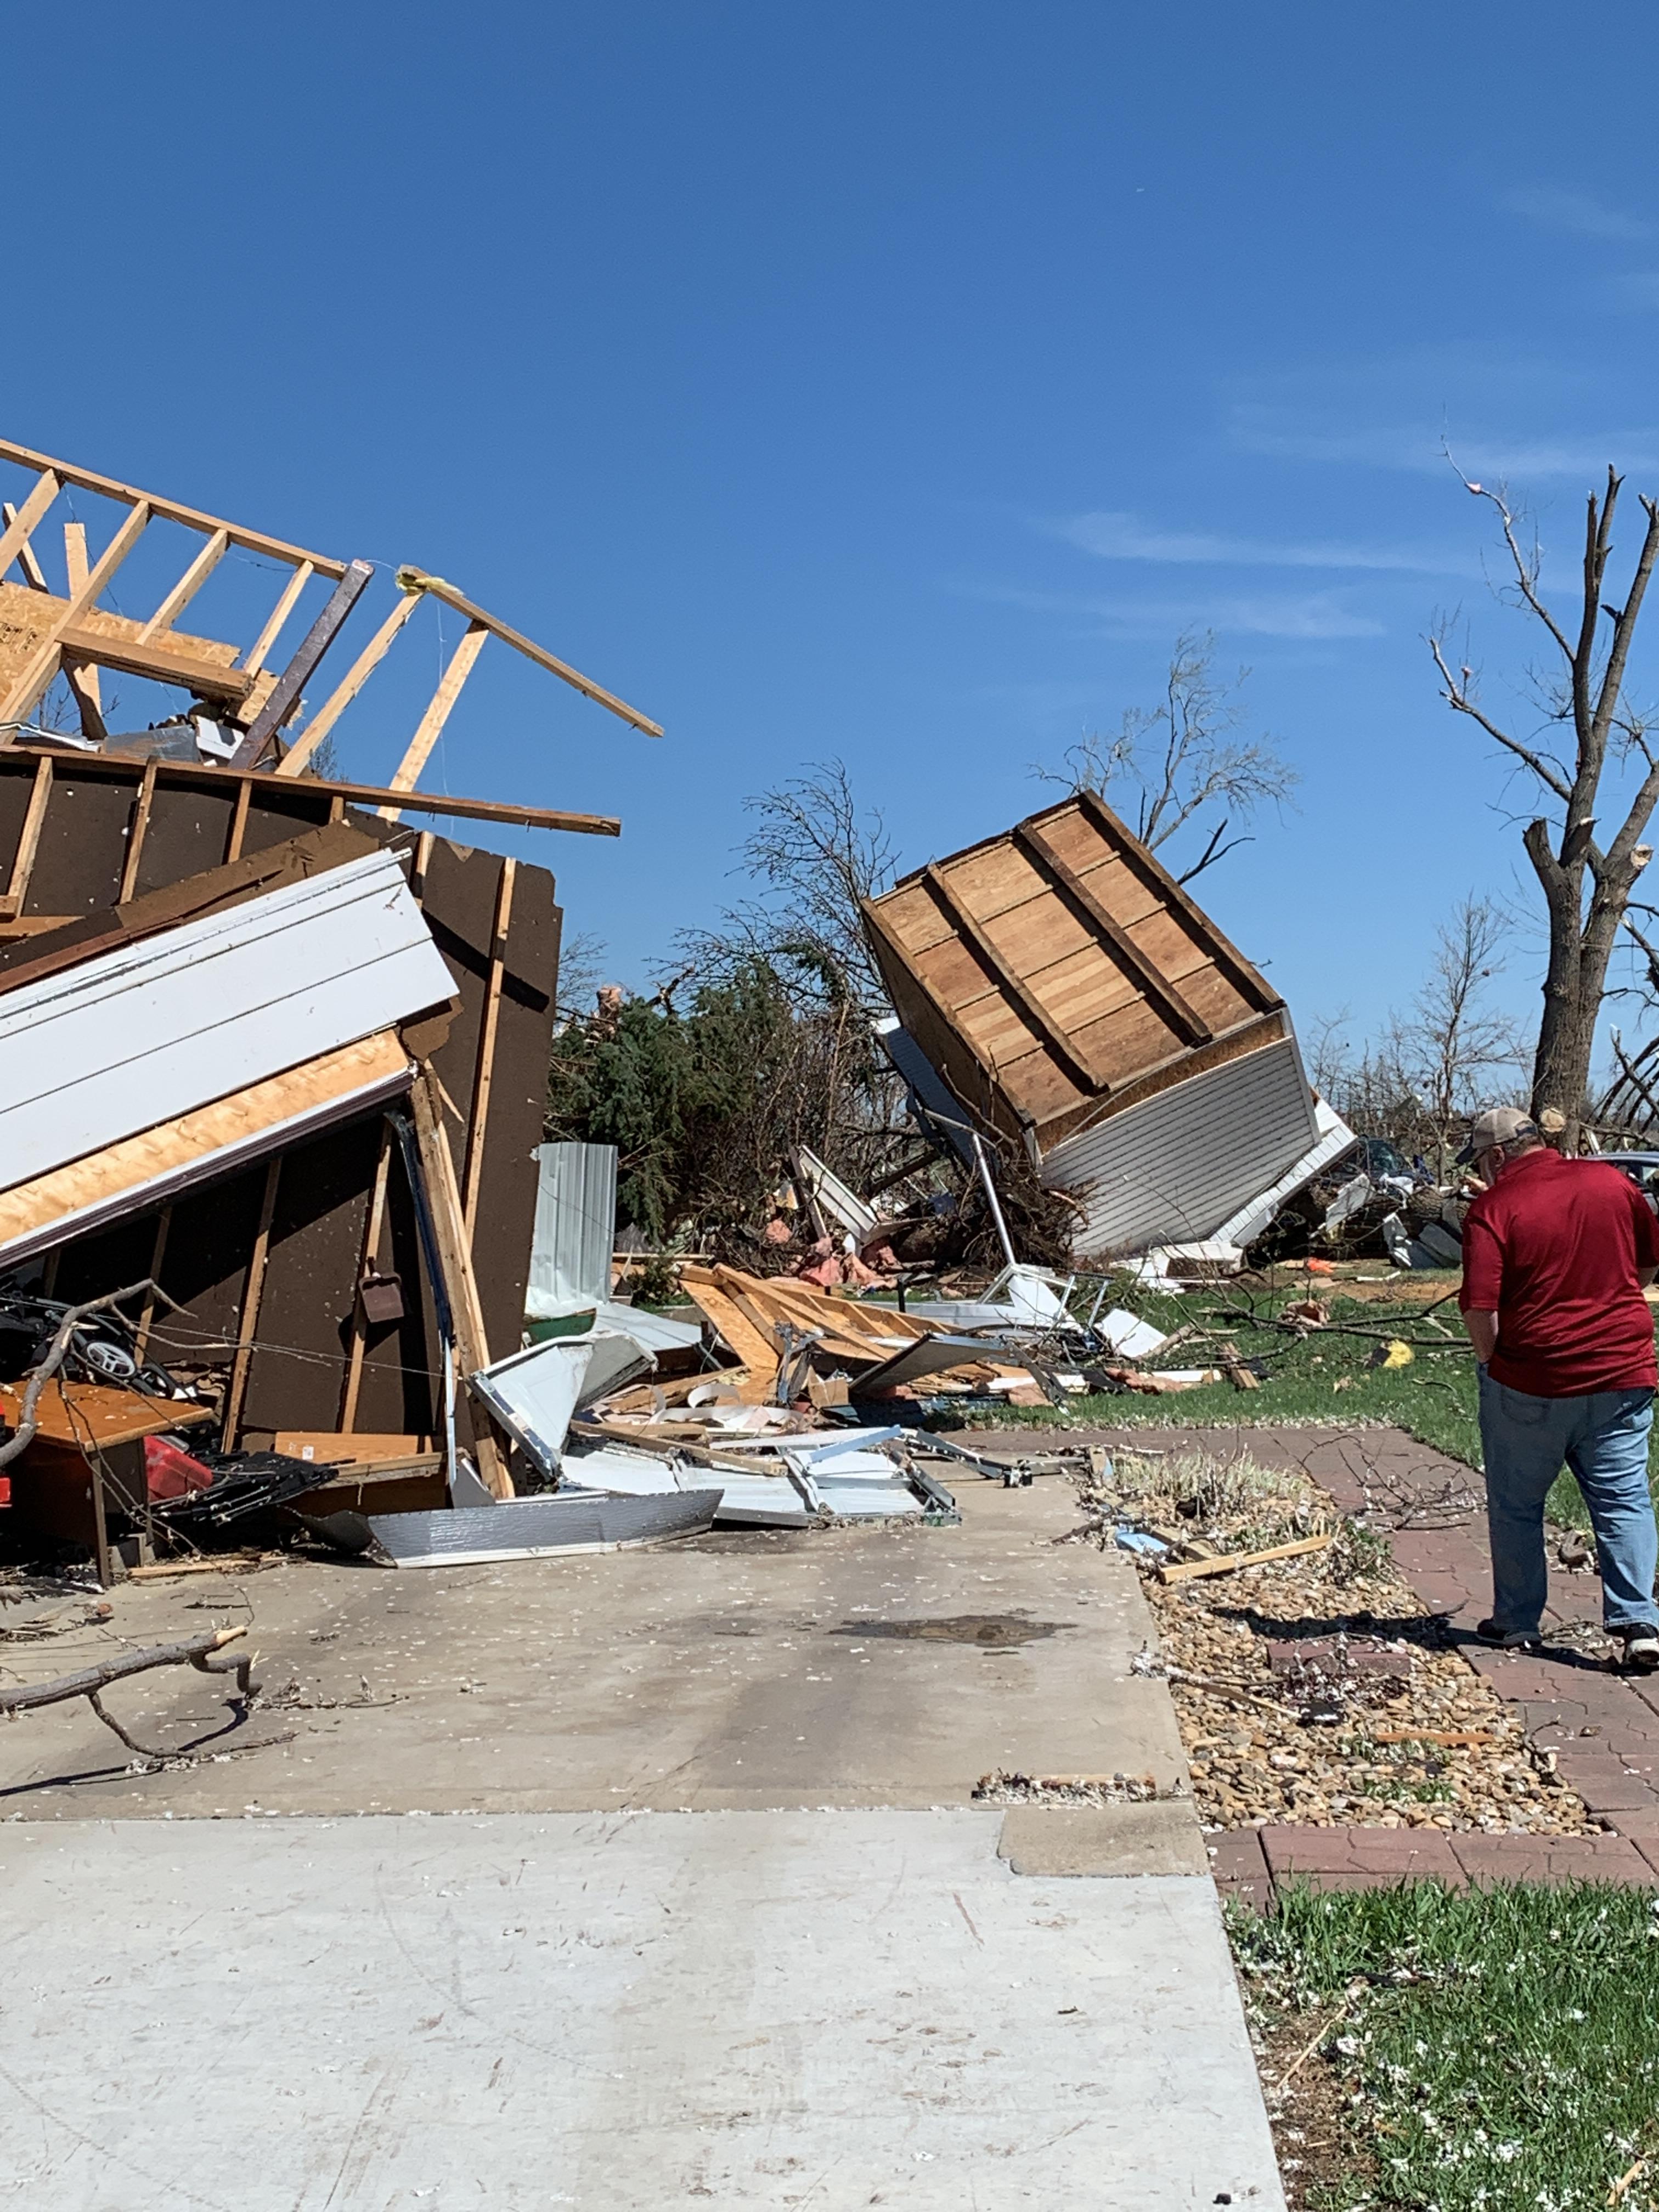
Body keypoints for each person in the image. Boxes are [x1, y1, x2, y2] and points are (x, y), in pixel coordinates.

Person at [1459, 1105, 1659, 1670]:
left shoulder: (1493, 1209)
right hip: (1623, 1371)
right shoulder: (1611, 1182)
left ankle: (1518, 1623)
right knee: (1623, 1498)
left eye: (1481, 1160)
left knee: (1517, 1504)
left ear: (1499, 1155)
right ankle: (1638, 1621)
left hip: (1535, 1378)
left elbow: (1480, 1306)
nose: (1483, 1171)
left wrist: (1494, 1361)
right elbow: (1647, 1265)